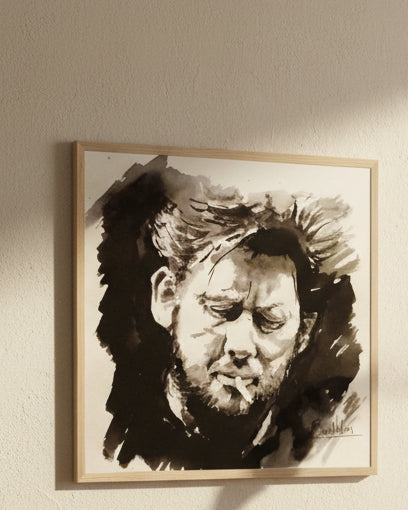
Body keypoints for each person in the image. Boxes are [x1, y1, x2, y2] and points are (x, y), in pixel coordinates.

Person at [91, 158, 362, 471]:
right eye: (221, 309)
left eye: (270, 320)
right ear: (166, 299)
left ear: (303, 333)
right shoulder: (112, 427)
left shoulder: (318, 441)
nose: (242, 346)